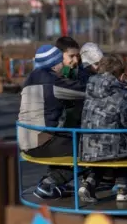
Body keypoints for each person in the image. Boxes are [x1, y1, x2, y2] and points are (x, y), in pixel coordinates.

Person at [17, 44, 87, 199]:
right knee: (93, 147)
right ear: (55, 65)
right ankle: (49, 183)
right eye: (61, 62)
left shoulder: (30, 78)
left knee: (71, 140)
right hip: (41, 142)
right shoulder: (54, 81)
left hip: (25, 140)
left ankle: (54, 180)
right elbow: (85, 91)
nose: (63, 65)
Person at [78, 55, 127, 203]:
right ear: (121, 75)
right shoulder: (119, 91)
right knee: (126, 147)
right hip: (110, 143)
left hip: (87, 142)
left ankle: (88, 184)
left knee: (103, 154)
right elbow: (125, 121)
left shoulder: (90, 87)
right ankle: (123, 188)